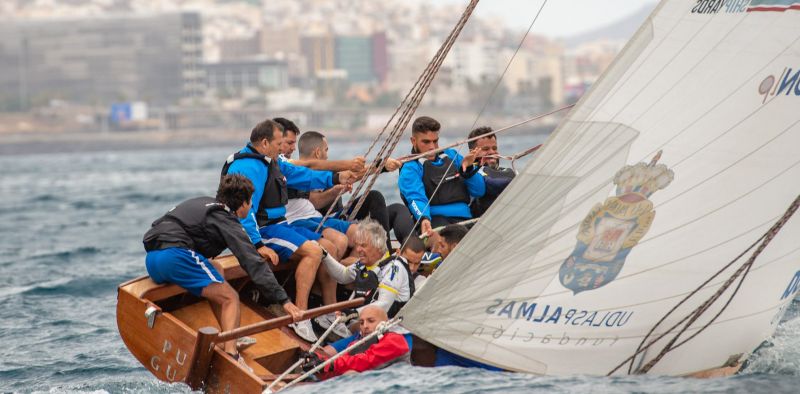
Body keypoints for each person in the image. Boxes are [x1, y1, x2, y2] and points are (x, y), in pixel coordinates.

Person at [142, 174, 303, 368]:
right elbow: (251, 261)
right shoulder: (224, 217)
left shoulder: (204, 204)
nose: (251, 206)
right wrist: (283, 300)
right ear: (242, 204)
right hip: (176, 256)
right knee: (230, 298)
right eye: (250, 202)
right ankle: (232, 356)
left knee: (216, 268)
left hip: (152, 260)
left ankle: (229, 336)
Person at [221, 118, 356, 342]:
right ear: (265, 143)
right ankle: (300, 316)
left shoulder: (272, 161)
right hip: (264, 230)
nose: (283, 150)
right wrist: (257, 245)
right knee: (314, 251)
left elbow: (303, 176)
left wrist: (336, 177)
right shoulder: (246, 167)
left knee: (329, 247)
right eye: (279, 144)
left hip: (279, 225)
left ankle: (327, 312)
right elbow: (244, 212)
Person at [397, 116, 484, 243]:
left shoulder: (452, 155)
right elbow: (415, 198)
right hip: (434, 220)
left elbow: (479, 191)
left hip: (466, 218)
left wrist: (469, 169)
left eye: (435, 141)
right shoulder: (410, 168)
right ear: (413, 141)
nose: (432, 147)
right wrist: (424, 218)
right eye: (426, 142)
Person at [320, 218, 414, 318]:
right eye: (357, 245)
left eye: (363, 245)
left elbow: (384, 304)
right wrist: (325, 256)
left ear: (378, 246)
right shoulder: (364, 264)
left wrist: (353, 313)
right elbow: (343, 276)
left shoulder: (393, 268)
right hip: (370, 320)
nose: (358, 249)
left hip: (393, 324)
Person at [300, 305, 410, 379]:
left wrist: (329, 365)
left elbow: (365, 361)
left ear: (384, 324)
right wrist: (317, 366)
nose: (365, 326)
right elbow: (338, 368)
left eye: (371, 321)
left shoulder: (395, 340)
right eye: (361, 323)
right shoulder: (356, 345)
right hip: (374, 385)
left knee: (350, 374)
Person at [467, 126, 516, 217]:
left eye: (494, 148)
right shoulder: (470, 174)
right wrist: (517, 181)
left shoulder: (508, 171)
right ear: (472, 153)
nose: (492, 152)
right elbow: (489, 184)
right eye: (485, 149)